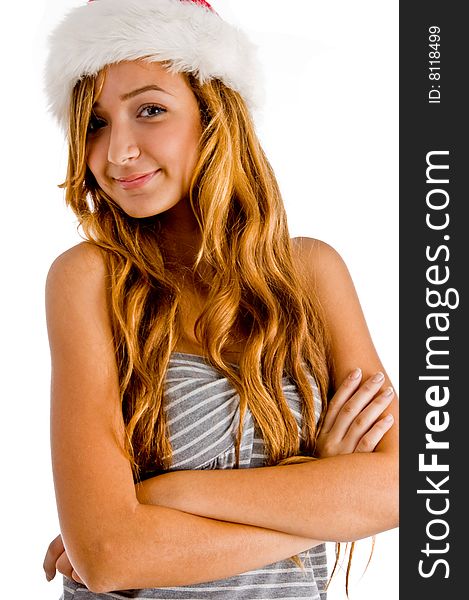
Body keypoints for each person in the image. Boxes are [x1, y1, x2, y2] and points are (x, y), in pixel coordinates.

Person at [42, 1, 399, 598]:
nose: (116, 152)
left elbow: (406, 487)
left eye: (150, 110)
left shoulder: (311, 273)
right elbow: (108, 556)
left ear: (216, 115)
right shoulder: (89, 280)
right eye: (96, 123)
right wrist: (322, 494)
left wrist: (162, 497)